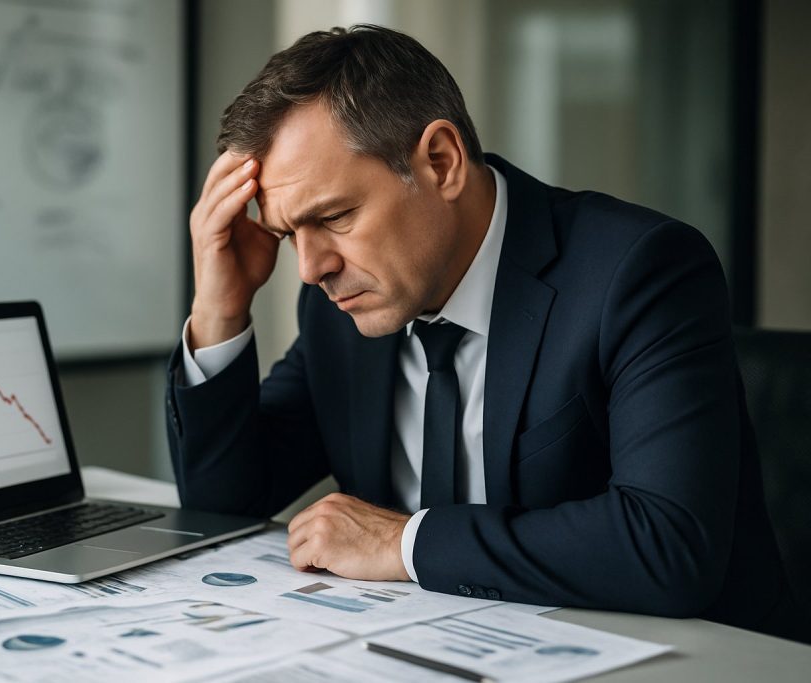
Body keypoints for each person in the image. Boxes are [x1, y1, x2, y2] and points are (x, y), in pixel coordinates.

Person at [165, 24, 794, 637]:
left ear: (440, 162)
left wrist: (407, 543)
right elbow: (225, 504)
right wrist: (221, 307)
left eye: (334, 216)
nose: (310, 268)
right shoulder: (341, 305)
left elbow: (668, 544)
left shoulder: (639, 270)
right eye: (286, 233)